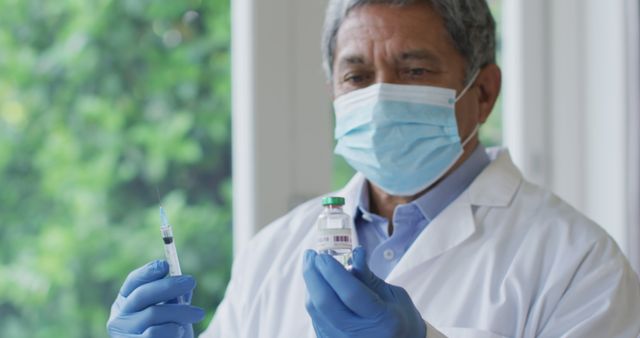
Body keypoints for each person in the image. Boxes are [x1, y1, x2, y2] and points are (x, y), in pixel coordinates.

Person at [107, 0, 640, 337]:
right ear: (332, 91)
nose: (382, 96)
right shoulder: (273, 252)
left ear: (483, 92)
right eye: (357, 77)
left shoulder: (578, 264)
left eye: (414, 70)